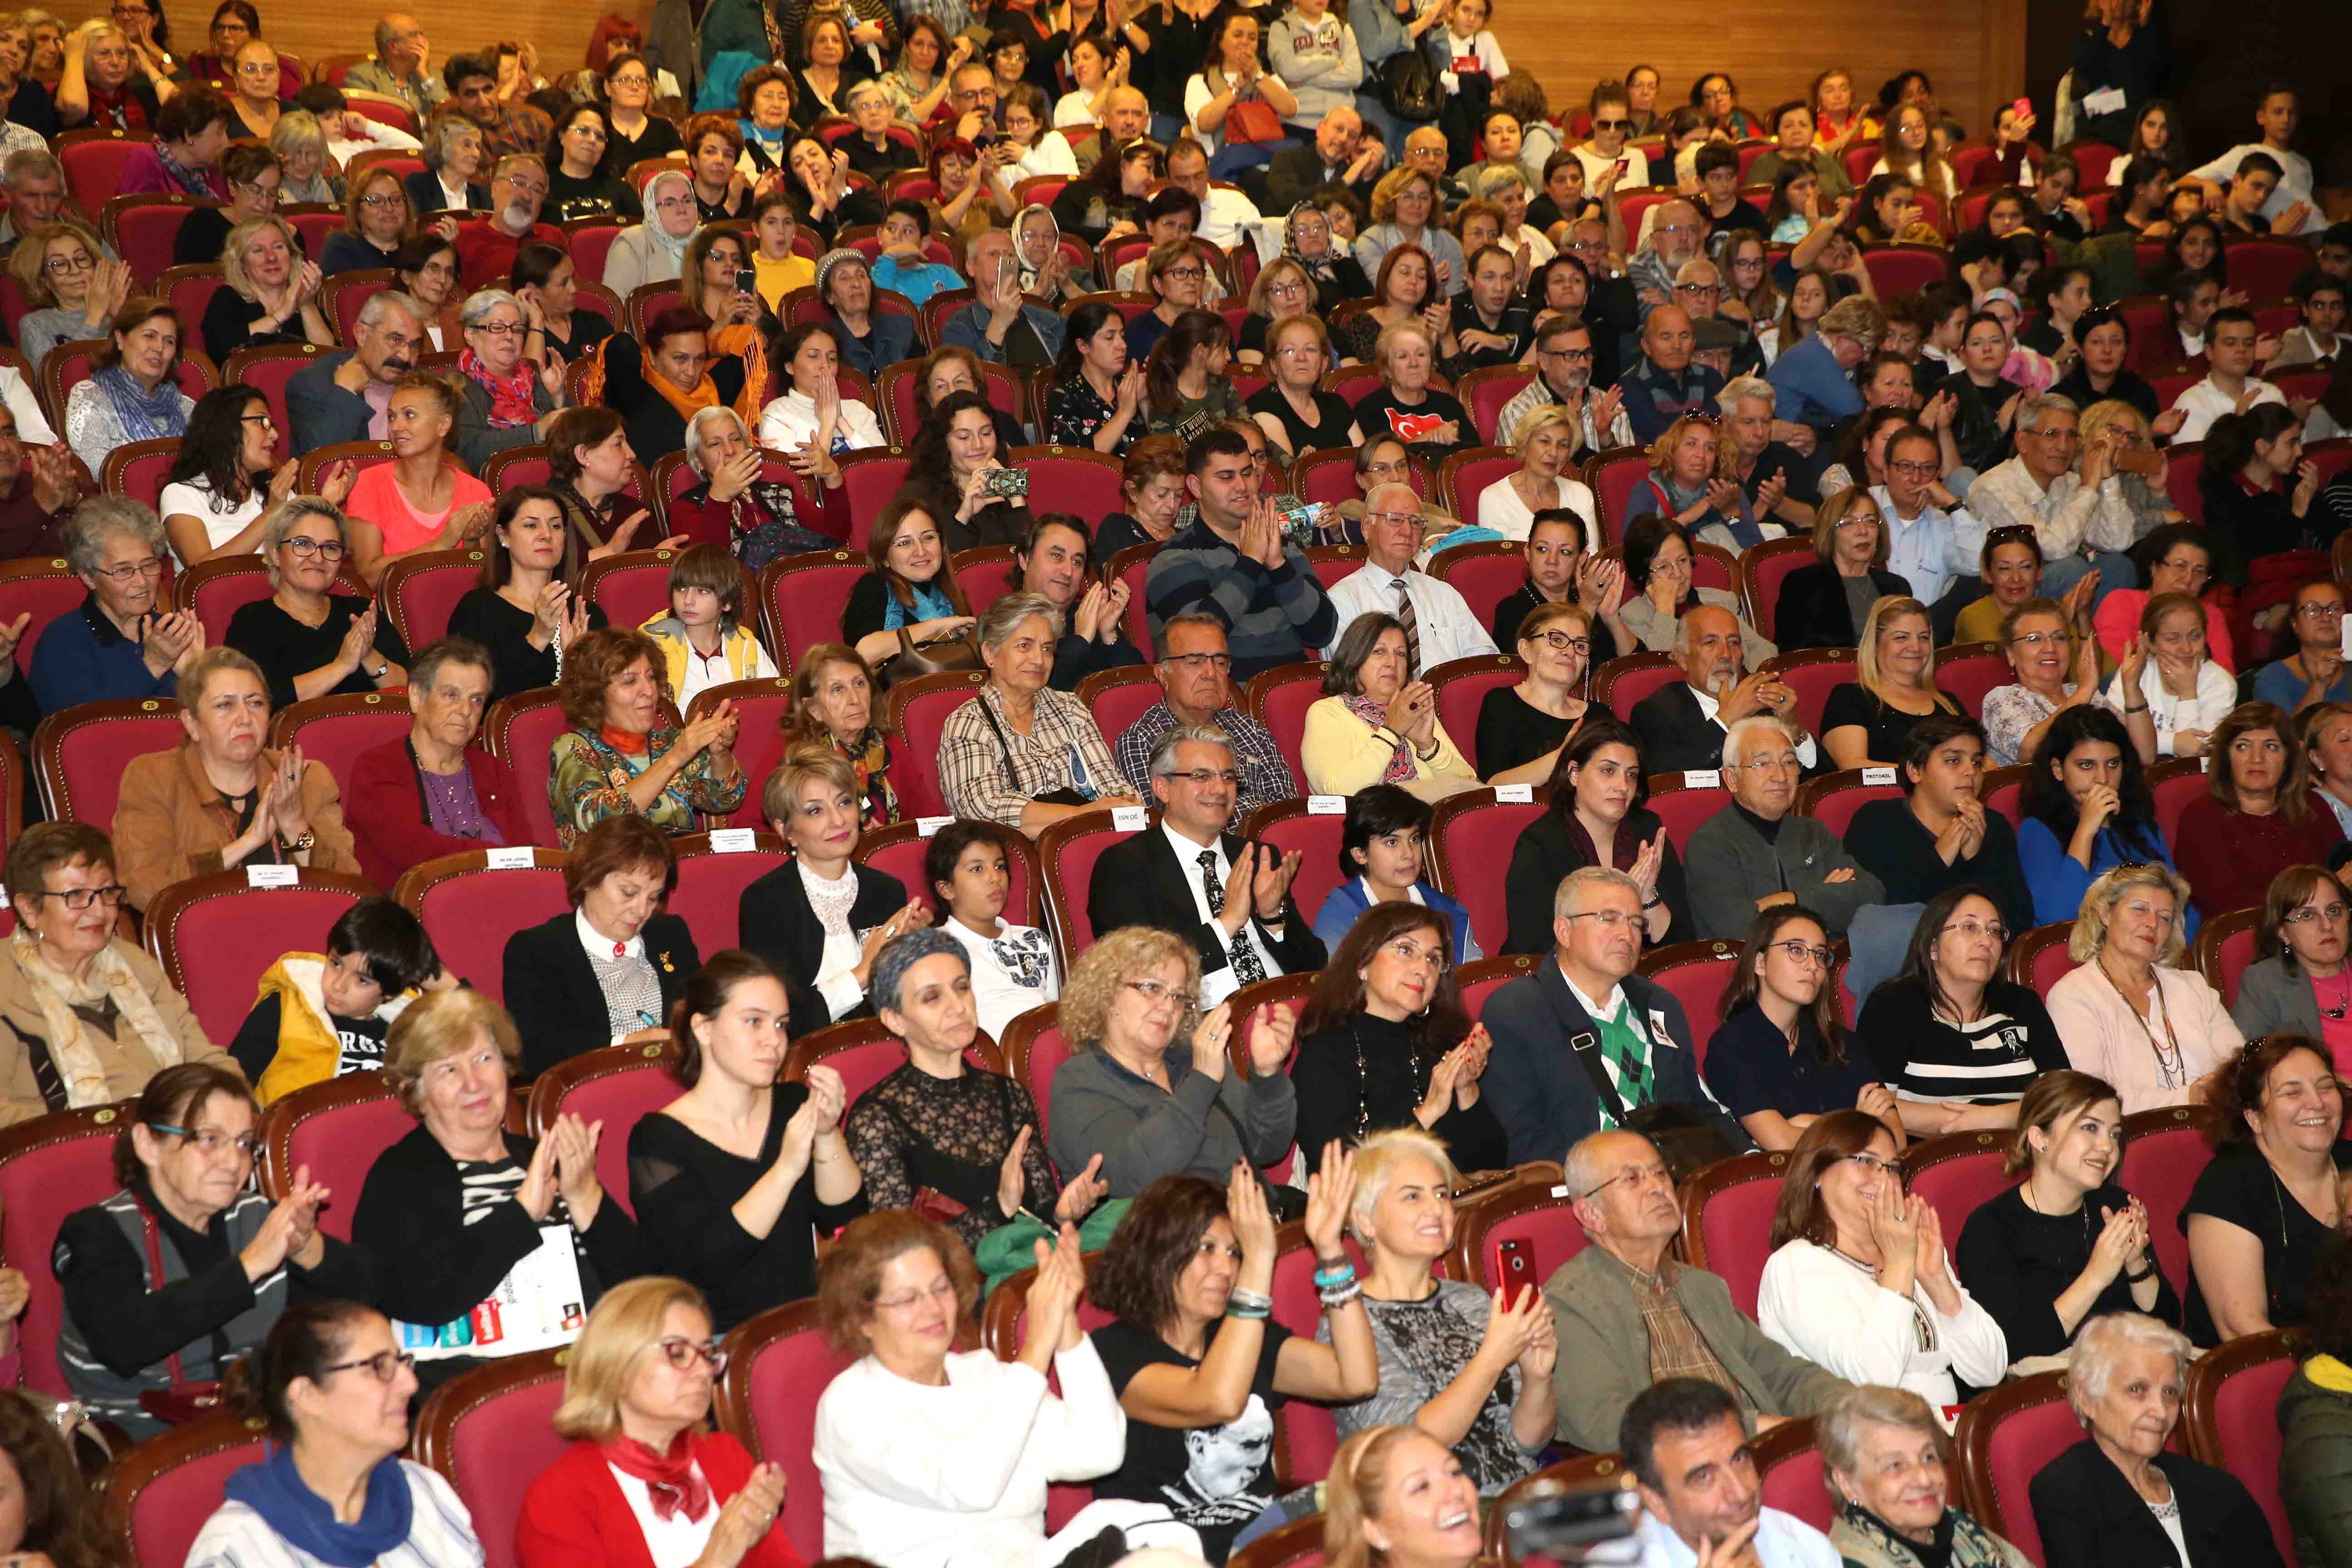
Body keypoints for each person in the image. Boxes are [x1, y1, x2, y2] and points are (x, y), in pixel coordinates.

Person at [813, 1207, 1199, 1568]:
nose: (933, 1308)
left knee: (1155, 1532)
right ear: (862, 1318)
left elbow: (1099, 1451)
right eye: (907, 1299)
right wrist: (1036, 1347)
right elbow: (972, 1486)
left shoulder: (986, 1374)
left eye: (941, 1288)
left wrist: (1065, 1323)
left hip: (1032, 1560)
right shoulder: (851, 1405)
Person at [52, 1056, 372, 1440]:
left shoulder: (252, 1216)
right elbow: (124, 1344)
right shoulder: (96, 1232)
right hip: (144, 1442)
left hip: (259, 1425)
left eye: (244, 1143)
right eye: (209, 1139)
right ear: (148, 1144)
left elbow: (370, 1297)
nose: (233, 1162)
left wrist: (304, 1247)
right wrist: (250, 1266)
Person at [1088, 1158, 1377, 1563]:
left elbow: (1356, 1379)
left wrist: (1330, 1250)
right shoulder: (1113, 1352)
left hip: (1263, 1548)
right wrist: (1259, 1262)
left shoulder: (1244, 1336)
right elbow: (1217, 1400)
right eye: (1207, 1248)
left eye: (1235, 1252)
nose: (1226, 1268)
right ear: (1157, 1253)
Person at [350, 988, 638, 1383]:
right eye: (449, 1070)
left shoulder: (542, 1158)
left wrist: (585, 1195)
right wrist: (521, 1215)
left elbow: (639, 1285)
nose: (474, 1083)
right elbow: (418, 1299)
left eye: (484, 1059)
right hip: (479, 1386)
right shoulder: (400, 1176)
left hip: (593, 1370)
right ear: (415, 1092)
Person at [1543, 1128, 1851, 1453]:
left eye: (1661, 1173)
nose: (1658, 1187)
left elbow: (1783, 1376)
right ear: (1591, 1214)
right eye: (1632, 1179)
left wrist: (1856, 1407)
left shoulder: (1701, 1286)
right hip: (1682, 1472)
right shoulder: (1570, 1302)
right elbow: (1606, 1423)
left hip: (1763, 1452)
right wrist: (1748, 1428)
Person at [630, 947, 865, 1332]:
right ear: (703, 1028)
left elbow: (847, 1222)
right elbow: (703, 1265)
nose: (773, 1040)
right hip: (715, 1342)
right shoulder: (656, 1140)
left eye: (781, 1025)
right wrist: (785, 1170)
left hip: (807, 1324)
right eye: (754, 1022)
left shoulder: (794, 1103)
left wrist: (826, 1135)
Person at [1323, 1132, 1550, 1497]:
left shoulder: (1471, 1301)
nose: (1437, 1209)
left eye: (1442, 1194)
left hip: (1518, 1498)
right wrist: (1494, 1356)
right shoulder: (1349, 1322)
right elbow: (1410, 1443)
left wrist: (1537, 1377)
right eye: (1413, 1196)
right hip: (1427, 1507)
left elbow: (1527, 1442)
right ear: (1365, 1221)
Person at [181, 1300, 485, 1568]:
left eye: (402, 1362)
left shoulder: (425, 1492)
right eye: (379, 1366)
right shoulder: (237, 1551)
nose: (410, 1384)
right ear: (307, 1396)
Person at [515, 1276, 795, 1568]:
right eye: (678, 1353)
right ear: (616, 1366)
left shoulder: (725, 1454)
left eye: (707, 1354)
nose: (703, 1371)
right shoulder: (558, 1499)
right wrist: (716, 1559)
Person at [1485, 865, 1745, 1166]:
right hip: (1582, 1186)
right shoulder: (1515, 1012)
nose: (1627, 934)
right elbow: (1520, 1142)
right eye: (1609, 919)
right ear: (1564, 931)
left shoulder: (1660, 1005)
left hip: (1672, 1176)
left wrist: (1747, 1159)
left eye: (1636, 923)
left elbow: (1699, 1107)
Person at [1757, 1110, 2009, 1418]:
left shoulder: (1910, 1245)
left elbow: (1990, 1370)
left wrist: (1936, 1280)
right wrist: (1901, 1265)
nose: (1884, 1179)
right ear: (1818, 1173)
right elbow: (1873, 1382)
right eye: (1865, 1161)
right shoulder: (1795, 1265)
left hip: (1946, 1426)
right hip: (1862, 1432)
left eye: (1892, 1168)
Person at [2029, 1312, 2284, 1567]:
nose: (2161, 1411)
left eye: (2170, 1393)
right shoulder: (2065, 1492)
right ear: (2087, 1399)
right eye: (2137, 1390)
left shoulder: (2218, 1489)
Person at [112, 646, 358, 911]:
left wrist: (296, 828)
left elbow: (349, 888)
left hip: (300, 926)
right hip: (205, 933)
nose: (245, 718)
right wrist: (246, 844)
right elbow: (145, 888)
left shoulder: (307, 778)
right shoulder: (154, 778)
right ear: (192, 722)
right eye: (225, 706)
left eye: (256, 704)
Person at [1953, 1069, 2174, 1364]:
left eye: (2115, 1134)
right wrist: (2097, 1275)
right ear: (2039, 1138)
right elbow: (2013, 1350)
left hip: (2131, 1368)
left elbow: (2169, 1326)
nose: (2108, 1147)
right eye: (2090, 1128)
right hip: (2049, 1382)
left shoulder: (2115, 1205)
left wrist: (2136, 1263)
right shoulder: (1990, 1229)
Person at [1852, 882, 2069, 1136]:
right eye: (1969, 927)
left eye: (1994, 931)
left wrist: (1986, 1118)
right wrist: (1965, 1122)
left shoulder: (2023, 1003)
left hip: (2024, 1153)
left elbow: (2066, 1097)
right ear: (1933, 947)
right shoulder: (1892, 1006)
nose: (1986, 941)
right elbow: (1872, 1106)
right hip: (1925, 1157)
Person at [2180, 1034, 2350, 1344]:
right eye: (2292, 1092)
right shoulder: (2228, 1186)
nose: (2317, 1103)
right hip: (2265, 1365)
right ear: (2255, 1118)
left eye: (2326, 1087)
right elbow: (2243, 1331)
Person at [736, 746, 920, 1033]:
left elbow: (906, 1002)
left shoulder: (887, 890)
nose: (838, 820)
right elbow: (778, 1018)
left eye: (844, 802)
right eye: (816, 811)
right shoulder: (765, 901)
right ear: (785, 830)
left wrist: (919, 950)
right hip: (805, 1053)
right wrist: (861, 975)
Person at [501, 815, 700, 1077]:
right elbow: (535, 1050)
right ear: (589, 879)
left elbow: (703, 1012)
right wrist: (627, 1045)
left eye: (653, 897)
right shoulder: (536, 951)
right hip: (590, 1090)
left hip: (678, 1083)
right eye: (629, 893)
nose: (642, 910)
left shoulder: (670, 935)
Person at [1704, 905, 1900, 1153]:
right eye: (1796, 950)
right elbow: (1781, 1143)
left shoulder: (1842, 1042)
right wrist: (1859, 1124)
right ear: (1761, 963)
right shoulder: (1731, 1046)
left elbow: (1896, 1138)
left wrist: (1806, 1126)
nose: (1813, 965)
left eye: (1820, 955)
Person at [937, 594, 1137, 832]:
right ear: (990, 654)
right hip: (1014, 852)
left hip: (1092, 840)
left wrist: (1120, 805)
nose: (1039, 660)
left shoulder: (1070, 708)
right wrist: (1084, 814)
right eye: (1024, 646)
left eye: (1047, 649)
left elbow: (1114, 788)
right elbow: (984, 810)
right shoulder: (968, 723)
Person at [1501, 718, 1691, 957]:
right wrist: (1622, 900)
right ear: (1574, 774)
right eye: (1608, 771)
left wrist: (1646, 898)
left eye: (1631, 775)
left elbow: (1682, 946)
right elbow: (1537, 949)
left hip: (1645, 974)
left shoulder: (1648, 830)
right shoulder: (1540, 844)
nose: (1623, 786)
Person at [1687, 718, 1883, 942]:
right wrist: (1825, 900)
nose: (1781, 777)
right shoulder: (1710, 843)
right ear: (1732, 779)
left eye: (1789, 763)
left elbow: (1872, 896)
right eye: (1762, 764)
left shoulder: (1813, 832)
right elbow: (1739, 927)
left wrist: (1790, 900)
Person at [231, 896, 444, 1102]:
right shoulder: (285, 1008)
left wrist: (434, 978)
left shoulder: (409, 1031)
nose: (338, 986)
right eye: (336, 964)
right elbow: (230, 1090)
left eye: (362, 980)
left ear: (390, 993)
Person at [549, 627, 745, 848]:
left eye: (651, 678)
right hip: (610, 866)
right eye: (630, 681)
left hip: (680, 862)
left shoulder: (670, 742)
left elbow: (724, 799)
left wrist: (720, 754)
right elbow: (598, 820)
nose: (649, 691)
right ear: (596, 695)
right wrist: (675, 758)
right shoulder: (574, 748)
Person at [1845, 717, 2036, 938]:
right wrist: (1939, 859)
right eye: (1954, 761)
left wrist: (1975, 860)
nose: (1971, 771)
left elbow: (2018, 923)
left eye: (1976, 762)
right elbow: (1877, 916)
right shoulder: (1876, 821)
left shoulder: (1994, 826)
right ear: (1915, 771)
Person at [1818, 1383, 2034, 1568]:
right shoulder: (1847, 1562)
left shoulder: (1965, 1533)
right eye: (1895, 1465)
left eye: (1929, 1458)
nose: (1923, 1479)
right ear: (1847, 1484)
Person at [1111, 612, 1297, 821]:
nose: (1210, 673)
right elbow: (1166, 823)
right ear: (1163, 676)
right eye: (1195, 662)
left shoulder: (1249, 729)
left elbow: (1287, 813)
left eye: (1220, 663)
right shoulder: (1142, 740)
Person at [227, 499, 408, 711]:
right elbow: (259, 701)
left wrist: (369, 655)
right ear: (276, 554)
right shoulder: (252, 621)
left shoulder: (363, 613)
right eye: (303, 545)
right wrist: (341, 666)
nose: (318, 558)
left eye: (330, 548)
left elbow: (411, 691)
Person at [2176, 703, 2347, 921]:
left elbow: (2346, 867)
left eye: (2271, 747)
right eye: (2243, 747)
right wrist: (2325, 893)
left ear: (2288, 759)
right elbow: (2223, 903)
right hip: (2248, 934)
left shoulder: (2312, 807)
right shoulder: (2202, 816)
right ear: (2226, 758)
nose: (2257, 759)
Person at [442, 487, 607, 706]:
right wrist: (538, 637)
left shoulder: (586, 613)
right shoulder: (478, 610)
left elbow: (606, 702)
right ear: (504, 536)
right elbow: (480, 701)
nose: (546, 535)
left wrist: (578, 665)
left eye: (555, 526)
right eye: (531, 526)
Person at [341, 374, 496, 590]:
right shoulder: (370, 484)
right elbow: (367, 579)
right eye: (392, 417)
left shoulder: (476, 491)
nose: (396, 427)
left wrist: (470, 542)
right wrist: (440, 545)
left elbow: (483, 583)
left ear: (444, 425)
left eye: (409, 415)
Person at [1301, 614, 1480, 802]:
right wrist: (1392, 731)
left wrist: (1427, 745)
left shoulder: (1415, 710)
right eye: (1379, 652)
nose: (1392, 663)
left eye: (1401, 654)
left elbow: (1471, 788)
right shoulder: (1327, 712)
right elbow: (1338, 794)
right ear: (1354, 658)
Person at [1627, 603, 1812, 779]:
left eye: (1734, 643)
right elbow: (1669, 780)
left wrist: (1793, 730)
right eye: (1710, 643)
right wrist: (1726, 719)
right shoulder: (1655, 713)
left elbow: (1818, 779)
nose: (1726, 654)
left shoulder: (1763, 703)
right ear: (1683, 659)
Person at [918, 822, 1057, 1039]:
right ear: (947, 889)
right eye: (977, 869)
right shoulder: (936, 950)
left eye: (1000, 866)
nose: (995, 878)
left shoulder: (1034, 940)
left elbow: (1054, 1013)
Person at [763, 643, 898, 831]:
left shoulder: (888, 745)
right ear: (813, 709)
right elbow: (756, 832)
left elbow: (927, 823)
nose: (855, 699)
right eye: (838, 689)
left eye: (859, 684)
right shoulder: (790, 754)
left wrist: (885, 838)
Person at [1821, 597, 1961, 771]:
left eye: (1924, 638)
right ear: (1875, 643)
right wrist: (1929, 776)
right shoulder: (1851, 698)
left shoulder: (1949, 703)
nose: (1916, 647)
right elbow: (1852, 767)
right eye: (1901, 638)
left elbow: (1980, 764)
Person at [603, 307, 752, 470]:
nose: (691, 371)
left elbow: (750, 347)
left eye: (699, 359)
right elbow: (621, 344)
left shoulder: (713, 389)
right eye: (680, 358)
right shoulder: (632, 394)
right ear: (652, 356)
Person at [284, 291, 429, 457]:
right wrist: (346, 394)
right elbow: (316, 458)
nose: (406, 356)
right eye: (395, 339)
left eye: (414, 345)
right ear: (361, 334)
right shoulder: (312, 383)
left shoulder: (426, 386)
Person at [60, 298, 192, 479]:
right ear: (120, 339)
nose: (159, 348)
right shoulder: (91, 397)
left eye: (169, 341)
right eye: (149, 336)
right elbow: (99, 473)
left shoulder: (186, 408)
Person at [160, 387, 291, 568]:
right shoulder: (181, 494)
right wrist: (270, 515)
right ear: (227, 428)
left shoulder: (277, 492)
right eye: (261, 421)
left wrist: (327, 504)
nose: (274, 435)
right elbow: (203, 573)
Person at [638, 545, 780, 710]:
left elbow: (774, 703)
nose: (688, 600)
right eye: (681, 589)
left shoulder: (747, 646)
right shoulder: (654, 646)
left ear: (727, 603)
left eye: (702, 591)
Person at [2233, 865, 2352, 1061]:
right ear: (2283, 932)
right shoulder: (2265, 982)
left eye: (2334, 910)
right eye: (2307, 915)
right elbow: (2249, 1064)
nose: (2327, 925)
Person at [1614, 516, 1777, 659]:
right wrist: (1665, 610)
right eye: (1664, 566)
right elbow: (1659, 670)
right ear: (1643, 575)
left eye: (1682, 560)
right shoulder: (1632, 616)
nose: (1678, 573)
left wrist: (1757, 679)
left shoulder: (1721, 601)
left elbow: (1763, 650)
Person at [1773, 488, 1912, 652]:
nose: (1863, 531)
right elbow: (1792, 656)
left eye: (1870, 521)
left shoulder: (1897, 588)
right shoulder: (1803, 585)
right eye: (1848, 523)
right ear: (1830, 532)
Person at [904, 389, 1034, 554]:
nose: (978, 445)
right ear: (942, 443)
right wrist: (963, 516)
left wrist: (1016, 499)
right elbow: (928, 559)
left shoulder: (1003, 480)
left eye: (986, 433)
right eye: (964, 437)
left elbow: (1032, 559)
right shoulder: (918, 495)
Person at [2254, 582, 2352, 714]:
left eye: (2335, 609)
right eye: (2313, 610)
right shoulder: (2271, 679)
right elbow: (2283, 728)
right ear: (2295, 624)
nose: (2326, 618)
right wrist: (2320, 685)